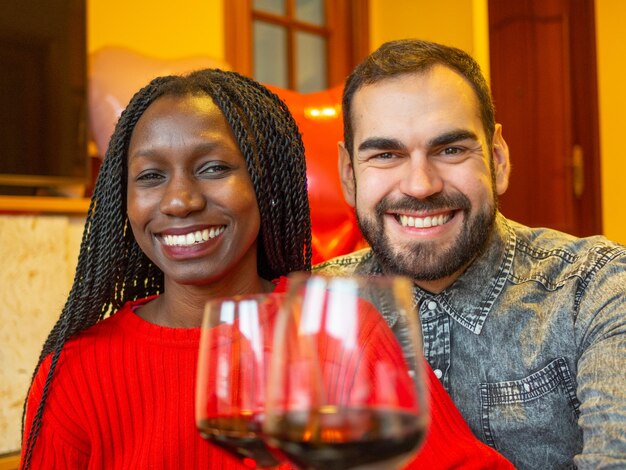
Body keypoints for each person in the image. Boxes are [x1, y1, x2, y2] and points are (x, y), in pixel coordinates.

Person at [20, 67, 512, 469]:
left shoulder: (343, 334)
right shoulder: (72, 373)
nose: (180, 200)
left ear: (267, 183)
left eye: (213, 168)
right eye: (150, 176)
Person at [314, 38, 626, 469]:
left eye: (451, 150)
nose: (421, 185)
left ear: (497, 159)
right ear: (349, 175)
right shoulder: (315, 306)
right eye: (386, 155)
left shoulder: (596, 287)